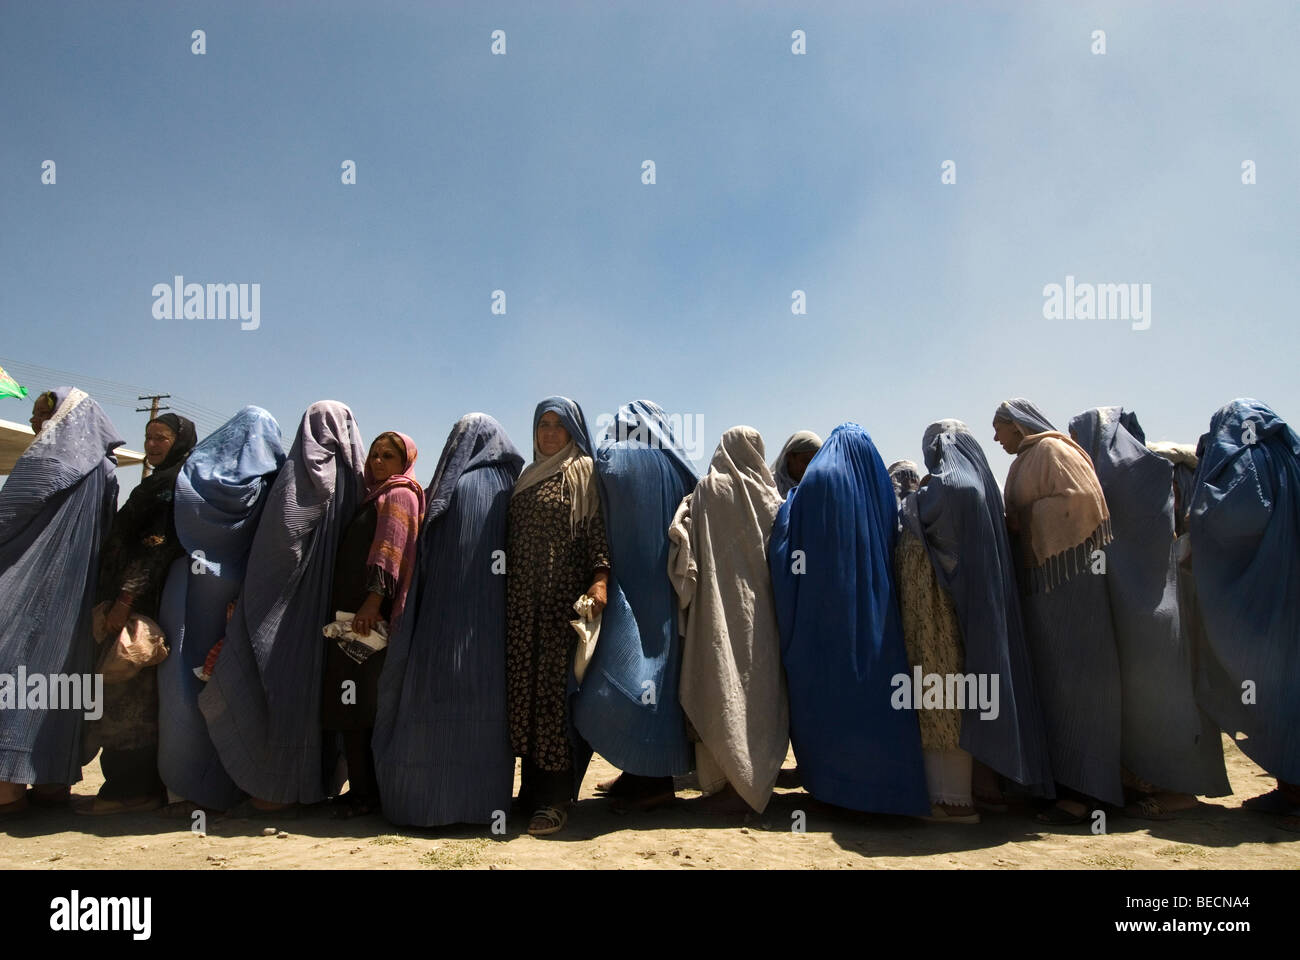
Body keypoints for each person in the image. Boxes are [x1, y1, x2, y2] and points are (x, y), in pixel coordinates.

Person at [199, 401, 366, 817]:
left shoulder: (299, 474)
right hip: (328, 611)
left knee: (279, 686)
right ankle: (307, 785)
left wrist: (264, 592)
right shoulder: (358, 478)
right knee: (312, 695)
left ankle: (274, 791)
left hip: (292, 608)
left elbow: (283, 538)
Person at [1069, 407, 1230, 814]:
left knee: (1167, 701)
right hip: (1151, 607)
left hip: (1151, 610)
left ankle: (1180, 792)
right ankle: (1151, 783)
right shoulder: (1139, 474)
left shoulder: (1131, 477)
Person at [896, 420, 1055, 823]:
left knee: (943, 694)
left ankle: (952, 801)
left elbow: (925, 519)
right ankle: (985, 790)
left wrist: (908, 500)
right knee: (973, 695)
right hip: (975, 607)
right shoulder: (982, 485)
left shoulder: (949, 488)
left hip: (942, 611)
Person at [769, 422, 930, 816]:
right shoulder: (876, 481)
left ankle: (830, 784)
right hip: (878, 612)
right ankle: (885, 791)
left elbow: (784, 547)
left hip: (821, 615)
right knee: (877, 694)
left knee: (827, 692)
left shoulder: (814, 483)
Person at [372, 414, 523, 827]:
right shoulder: (512, 484)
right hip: (489, 625)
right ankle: (482, 805)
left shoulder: (452, 484)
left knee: (430, 702)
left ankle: (421, 803)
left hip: (440, 616)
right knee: (484, 710)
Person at [994, 398, 1123, 825]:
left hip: (1070, 584)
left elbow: (1082, 502)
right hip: (1042, 586)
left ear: (1017, 425)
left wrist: (1022, 519)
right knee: (1053, 685)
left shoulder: (1053, 451)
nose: (997, 438)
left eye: (1000, 429)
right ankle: (1060, 785)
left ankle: (1088, 792)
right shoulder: (1024, 461)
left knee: (1079, 683)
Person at [156, 406, 286, 815]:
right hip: (244, 602)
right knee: (233, 690)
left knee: (181, 684)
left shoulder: (194, 476)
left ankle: (187, 787)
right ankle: (234, 785)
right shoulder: (273, 482)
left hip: (187, 596)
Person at [0, 388, 122, 817]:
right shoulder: (106, 469)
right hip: (75, 599)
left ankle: (7, 792)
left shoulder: (43, 461)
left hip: (21, 587)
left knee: (11, 679)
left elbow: (7, 515)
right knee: (61, 689)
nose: (35, 423)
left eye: (40, 415)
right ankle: (52, 785)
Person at [575, 401, 696, 813]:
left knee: (609, 674)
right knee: (659, 678)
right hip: (665, 592)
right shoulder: (677, 468)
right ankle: (646, 773)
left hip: (622, 585)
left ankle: (651, 782)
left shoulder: (614, 459)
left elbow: (598, 471)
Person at [1184, 399, 1300, 822]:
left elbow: (1235, 517)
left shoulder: (1248, 459)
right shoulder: (1290, 455)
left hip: (1264, 598)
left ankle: (1294, 790)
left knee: (1274, 690)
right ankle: (1288, 789)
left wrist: (1195, 519)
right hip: (1287, 595)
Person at [78, 413, 197, 815]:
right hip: (128, 602)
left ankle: (132, 790)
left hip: (138, 609)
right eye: (148, 437)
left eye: (160, 438)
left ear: (179, 441)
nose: (151, 445)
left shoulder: (170, 485)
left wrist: (125, 601)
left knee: (129, 695)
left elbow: (155, 547)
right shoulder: (159, 480)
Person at [506, 397, 611, 836]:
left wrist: (600, 578)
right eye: (543, 424)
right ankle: (531, 792)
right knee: (523, 697)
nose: (549, 433)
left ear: (573, 431)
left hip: (560, 607)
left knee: (553, 699)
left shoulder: (582, 472)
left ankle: (554, 799)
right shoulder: (525, 478)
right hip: (519, 608)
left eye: (559, 425)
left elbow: (595, 532)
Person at [670, 425, 788, 813]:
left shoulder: (707, 490)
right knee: (760, 691)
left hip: (715, 611)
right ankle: (756, 779)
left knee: (718, 684)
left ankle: (720, 784)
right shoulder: (772, 496)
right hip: (761, 618)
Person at [320, 431, 423, 818]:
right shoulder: (374, 495)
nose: (378, 462)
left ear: (405, 461)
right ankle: (360, 789)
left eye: (388, 456)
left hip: (367, 620)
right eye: (375, 455)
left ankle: (370, 795)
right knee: (351, 704)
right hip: (351, 617)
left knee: (363, 705)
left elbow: (389, 553)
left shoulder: (400, 494)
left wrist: (372, 602)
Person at [771, 430, 822, 498]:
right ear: (790, 457)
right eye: (806, 461)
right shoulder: (770, 486)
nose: (809, 468)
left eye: (815, 463)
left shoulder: (821, 490)